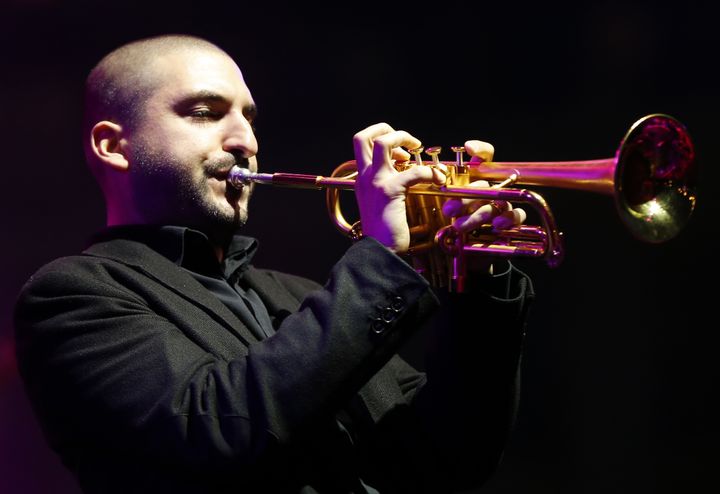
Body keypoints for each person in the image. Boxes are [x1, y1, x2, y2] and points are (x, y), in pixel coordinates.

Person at [13, 34, 534, 494]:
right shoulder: (73, 296)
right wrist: (380, 256)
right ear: (112, 145)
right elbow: (226, 429)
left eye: (249, 118)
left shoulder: (296, 297)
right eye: (204, 113)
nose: (246, 142)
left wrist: (481, 286)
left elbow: (449, 457)